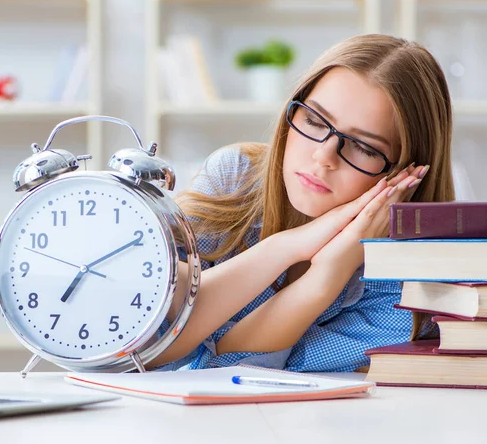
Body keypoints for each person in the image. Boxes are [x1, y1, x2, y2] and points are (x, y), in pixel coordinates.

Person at [149, 34, 455, 372]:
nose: (323, 156)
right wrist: (287, 246)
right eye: (313, 120)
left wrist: (327, 276)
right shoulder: (234, 178)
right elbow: (150, 340)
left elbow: (224, 370)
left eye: (365, 148)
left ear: (404, 177)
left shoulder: (405, 291)